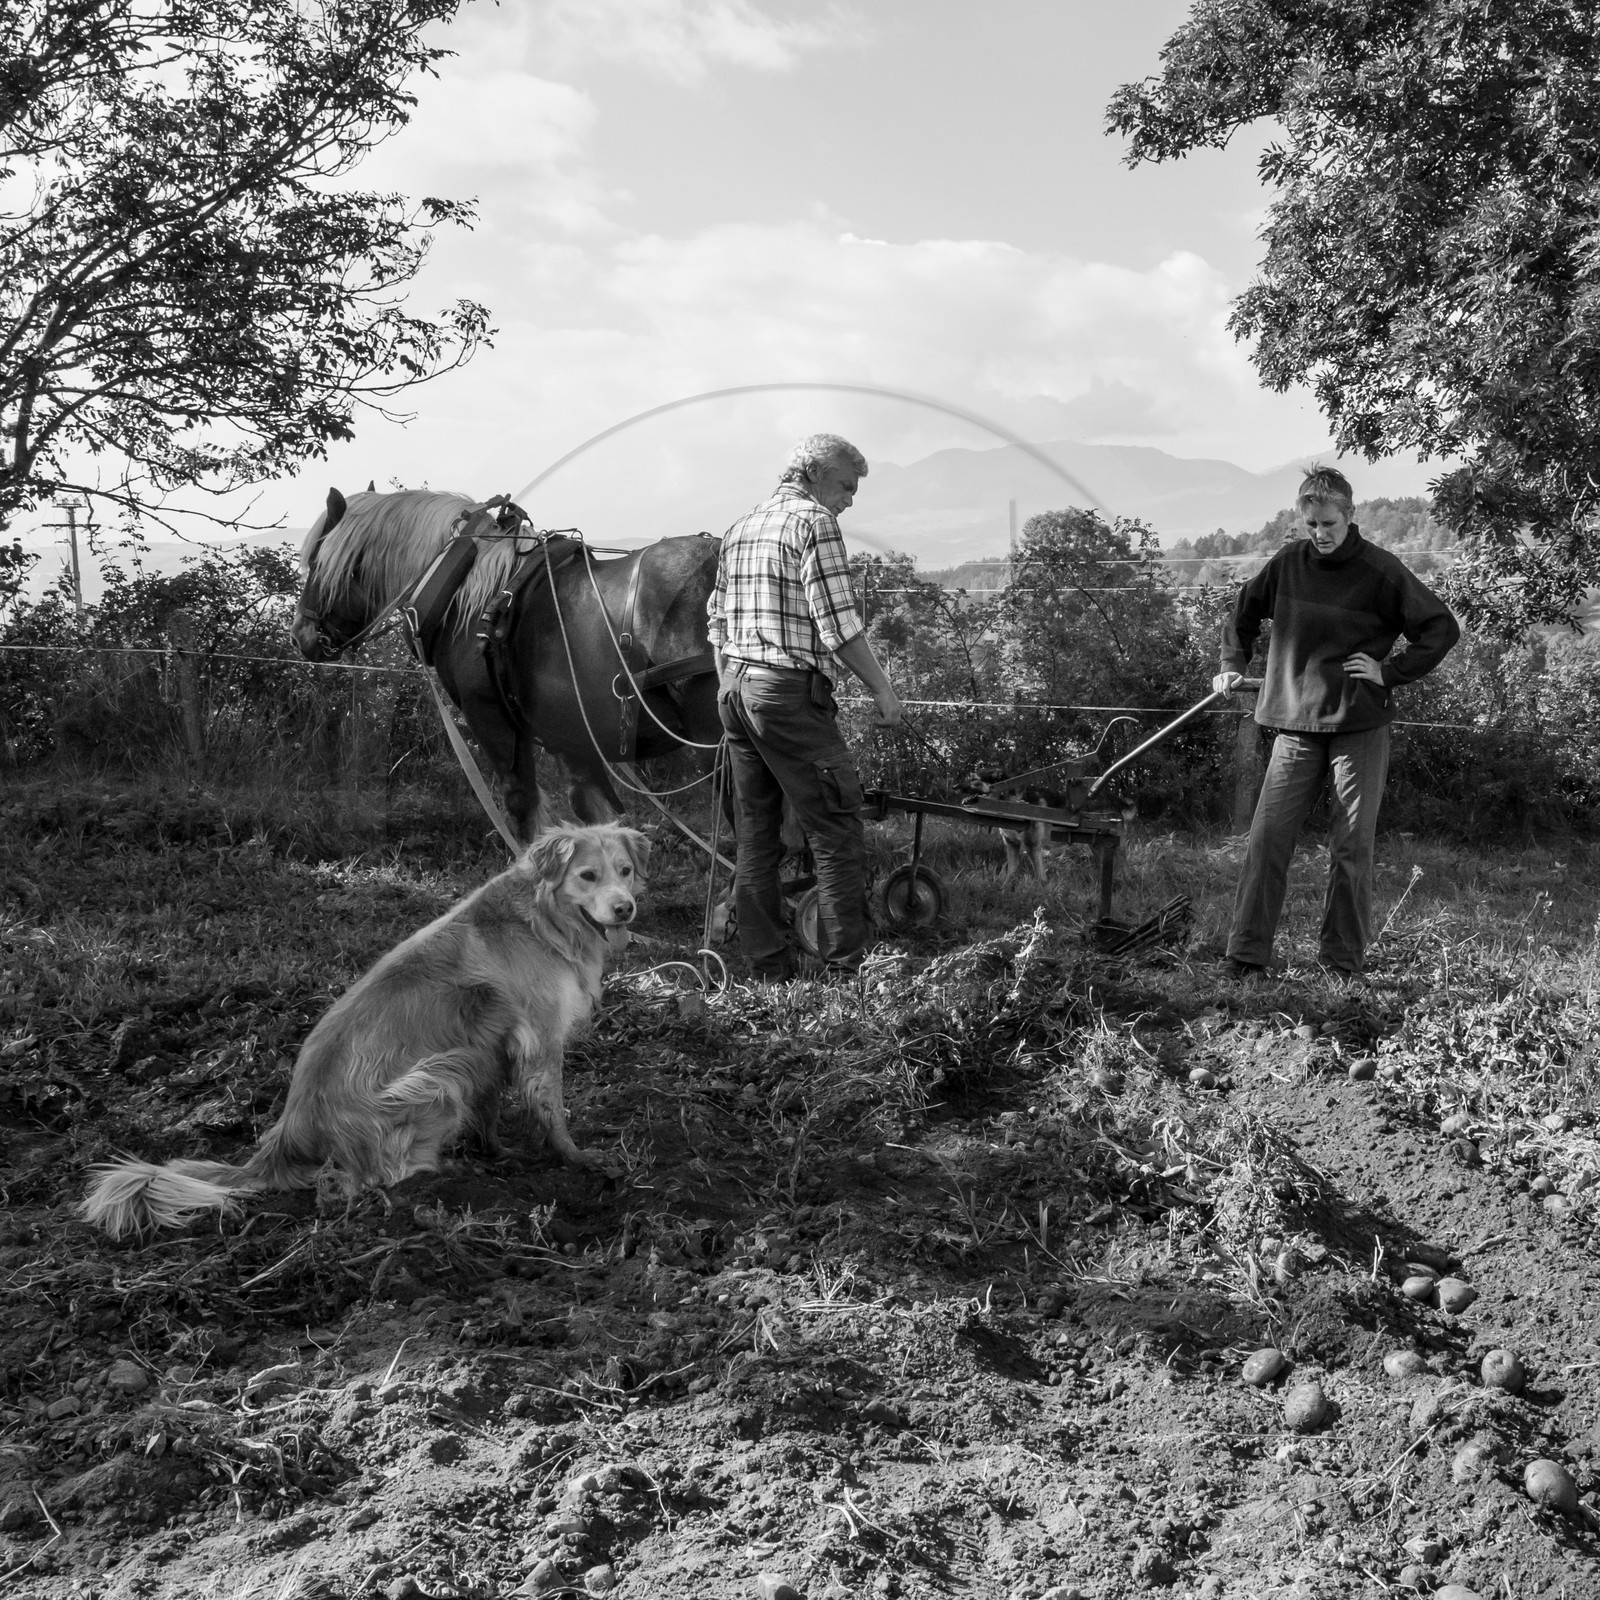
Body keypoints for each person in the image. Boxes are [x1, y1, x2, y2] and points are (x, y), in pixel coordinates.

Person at [1213, 465, 1460, 978]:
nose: (1320, 534)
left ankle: (1342, 964)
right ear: (1301, 521)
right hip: (1295, 724)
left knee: (1350, 847)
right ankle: (1247, 957)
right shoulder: (1287, 563)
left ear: (1350, 516)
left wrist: (1389, 672)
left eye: (1329, 523)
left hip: (1359, 725)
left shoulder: (1381, 570)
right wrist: (1232, 667)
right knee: (1267, 839)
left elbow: (1440, 628)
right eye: (1311, 525)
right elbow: (1241, 612)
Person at [708, 433, 904, 981]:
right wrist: (883, 690)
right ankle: (848, 971)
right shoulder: (813, 523)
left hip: (737, 692)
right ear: (815, 473)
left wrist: (730, 683)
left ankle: (767, 967)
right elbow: (837, 623)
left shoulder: (740, 527)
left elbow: (717, 621)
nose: (850, 498)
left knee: (756, 833)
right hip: (787, 694)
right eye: (846, 484)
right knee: (836, 829)